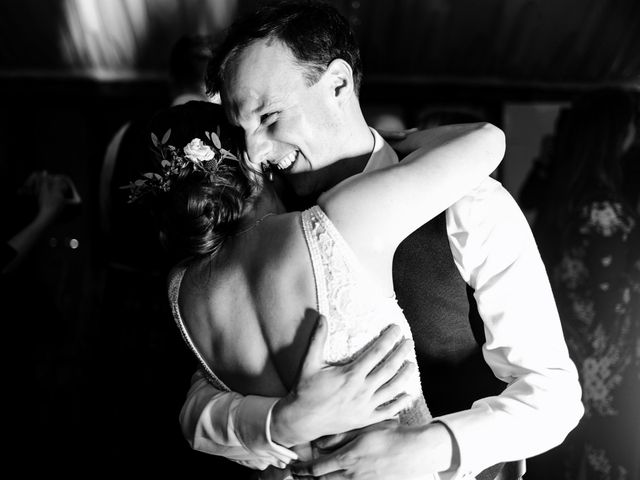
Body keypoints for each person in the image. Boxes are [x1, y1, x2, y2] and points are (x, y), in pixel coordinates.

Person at [177, 3, 583, 479]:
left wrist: (423, 448)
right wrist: (279, 422)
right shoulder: (255, 218)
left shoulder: (471, 204)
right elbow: (198, 407)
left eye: (269, 118)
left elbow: (553, 396)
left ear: (338, 85)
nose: (255, 153)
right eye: (242, 131)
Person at [129, 97, 504, 479]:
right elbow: (487, 140)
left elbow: (199, 412)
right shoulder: (335, 222)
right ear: (250, 158)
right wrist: (386, 139)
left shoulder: (182, 289)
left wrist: (283, 423)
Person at [531, 89, 639, 480]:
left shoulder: (564, 199)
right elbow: (609, 297)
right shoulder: (602, 209)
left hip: (572, 345)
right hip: (603, 356)